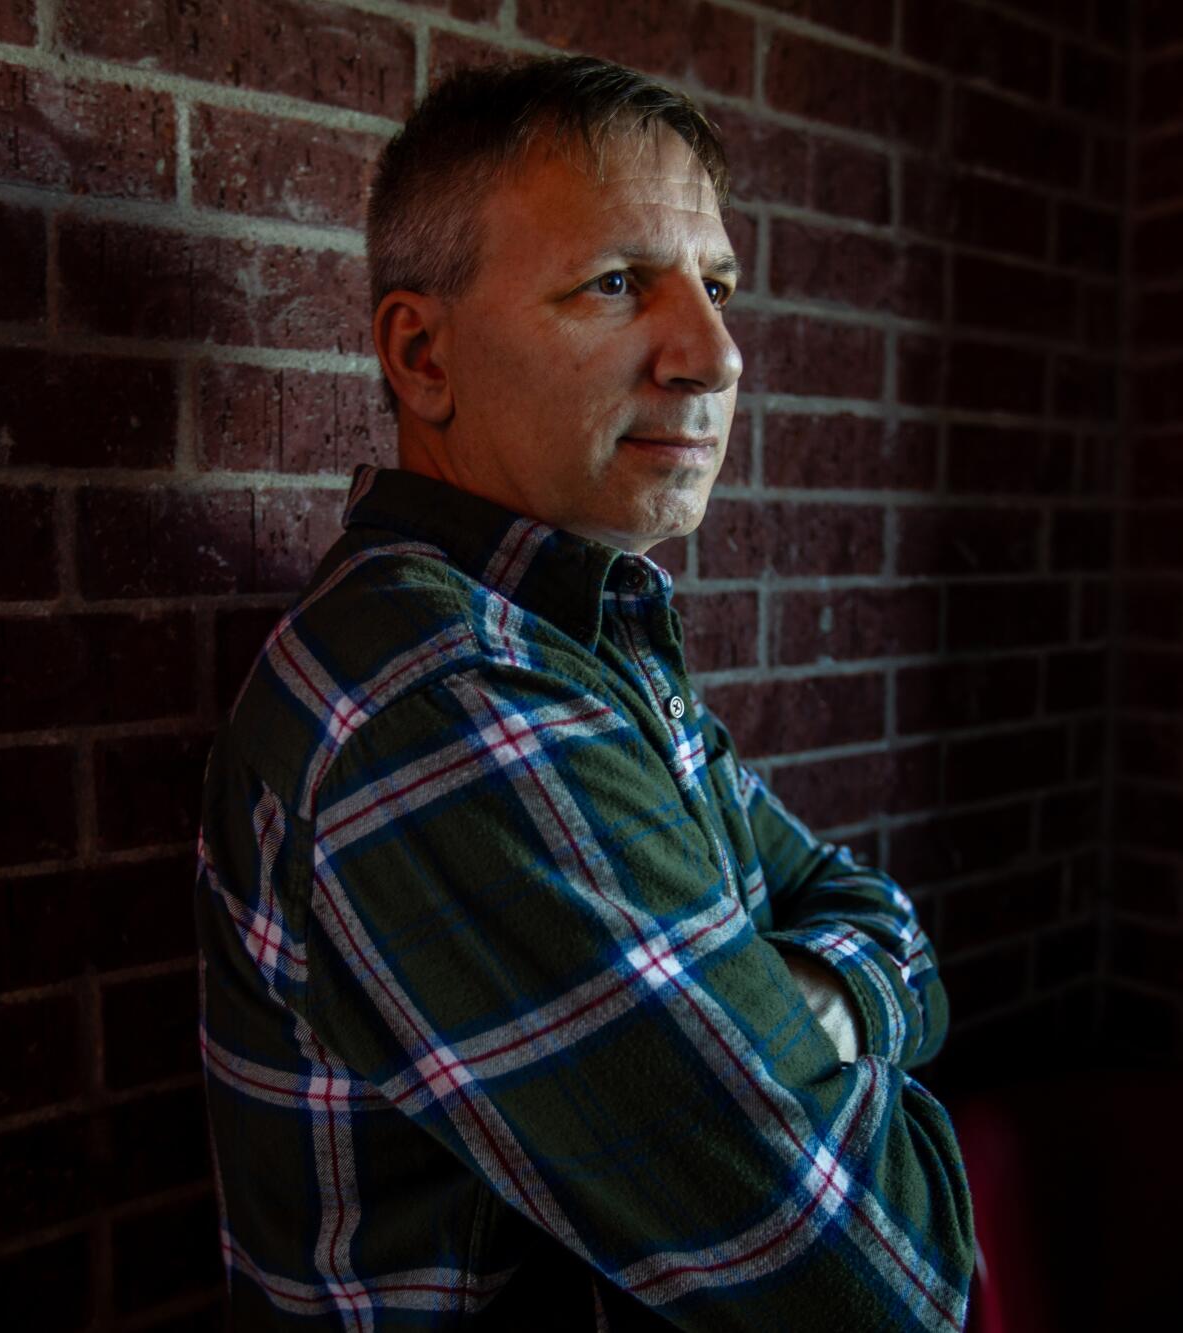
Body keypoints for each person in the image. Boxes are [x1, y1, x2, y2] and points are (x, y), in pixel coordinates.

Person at [193, 54, 973, 1330]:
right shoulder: (447, 702)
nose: (715, 355)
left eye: (715, 287)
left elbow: (867, 909)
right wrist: (806, 1020)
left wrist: (800, 1006)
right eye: (615, 285)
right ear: (422, 354)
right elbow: (881, 1277)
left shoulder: (577, 638)